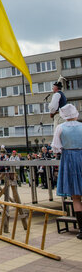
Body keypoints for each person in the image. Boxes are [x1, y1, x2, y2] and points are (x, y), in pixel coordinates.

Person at [51, 103, 82, 240]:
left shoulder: (60, 128)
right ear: (75, 113)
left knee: (75, 197)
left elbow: (56, 147)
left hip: (69, 159)